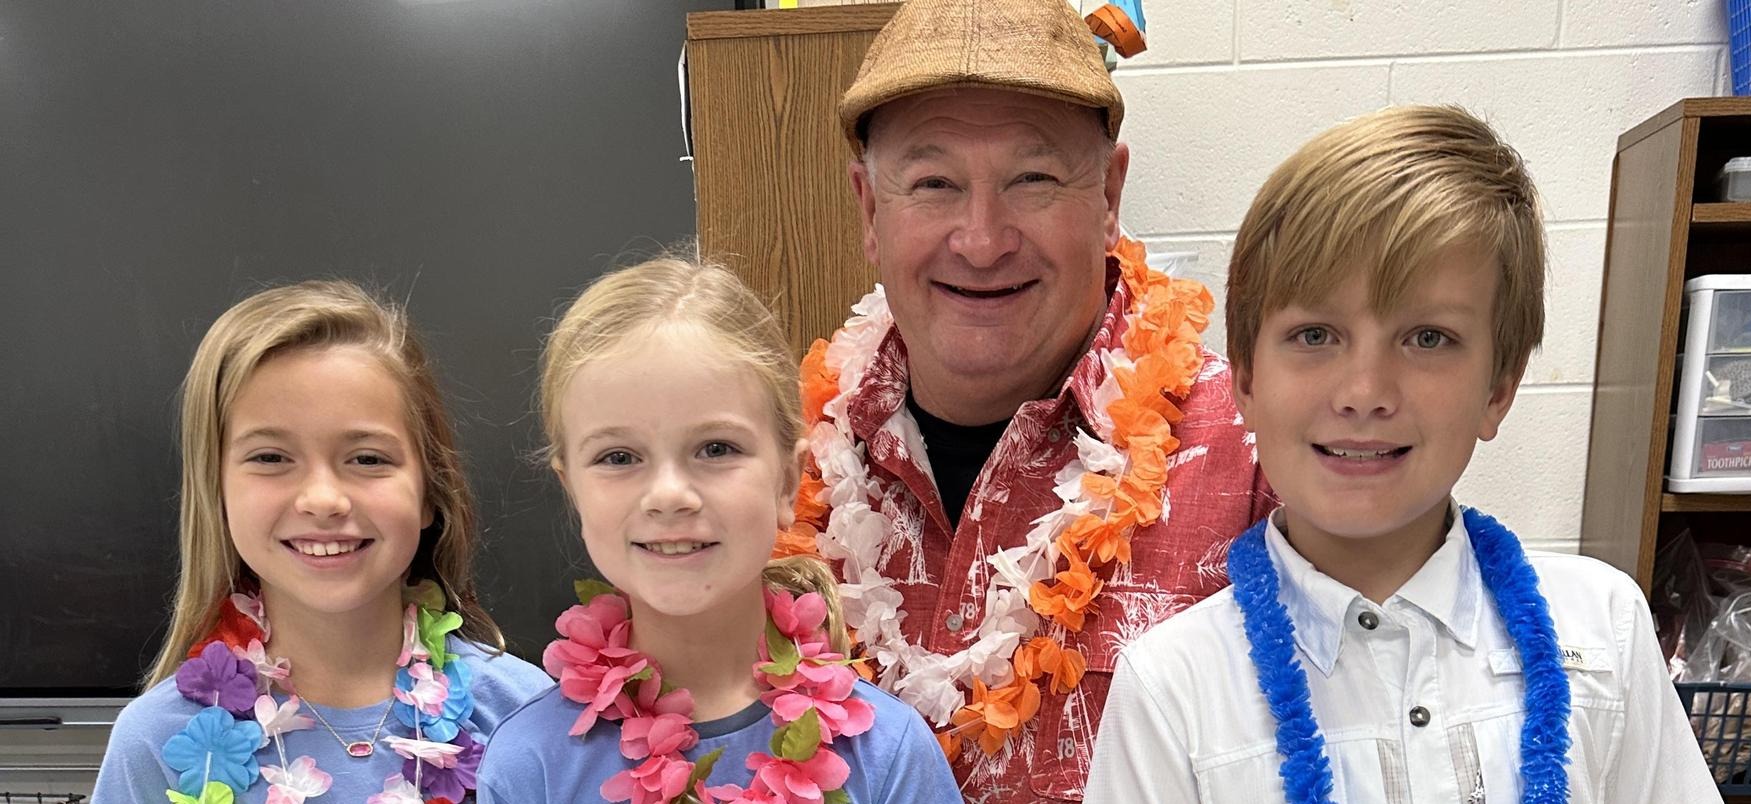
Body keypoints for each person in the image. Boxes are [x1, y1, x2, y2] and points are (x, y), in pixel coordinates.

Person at [1084, 105, 1721, 803]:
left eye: (1427, 338)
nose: (1364, 393)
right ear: (1245, 380)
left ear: (1498, 388)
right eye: (1316, 335)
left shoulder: (1603, 632)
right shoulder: (1172, 689)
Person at [788, 0, 1272, 798]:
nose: (981, 239)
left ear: (1110, 196)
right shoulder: (770, 471)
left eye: (1034, 178)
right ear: (870, 210)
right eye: (933, 183)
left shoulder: (1258, 453)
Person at [476, 256, 961, 803]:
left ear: (785, 482)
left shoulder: (886, 756)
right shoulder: (530, 767)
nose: (668, 495)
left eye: (716, 448)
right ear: (573, 491)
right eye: (618, 456)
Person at [95, 280, 550, 803]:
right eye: (270, 458)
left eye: (368, 459)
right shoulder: (156, 744)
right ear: (216, 493)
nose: (323, 499)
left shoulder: (524, 715)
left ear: (430, 492)